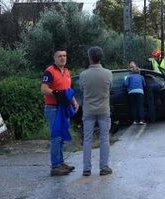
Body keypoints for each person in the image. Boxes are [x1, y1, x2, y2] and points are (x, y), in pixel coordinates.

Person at [41, 49, 80, 176]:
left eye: (64, 56)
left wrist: (74, 100)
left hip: (64, 108)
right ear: (55, 58)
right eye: (60, 56)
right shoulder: (50, 71)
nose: (62, 58)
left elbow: (67, 88)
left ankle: (61, 162)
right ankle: (55, 166)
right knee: (56, 137)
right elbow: (44, 89)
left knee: (62, 136)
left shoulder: (67, 71)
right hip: (53, 108)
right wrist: (57, 94)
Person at [78, 46, 113, 176]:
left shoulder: (83, 75)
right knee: (104, 138)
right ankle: (104, 167)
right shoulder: (108, 73)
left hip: (88, 110)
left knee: (87, 139)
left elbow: (82, 89)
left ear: (90, 58)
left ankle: (86, 169)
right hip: (104, 109)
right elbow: (109, 88)